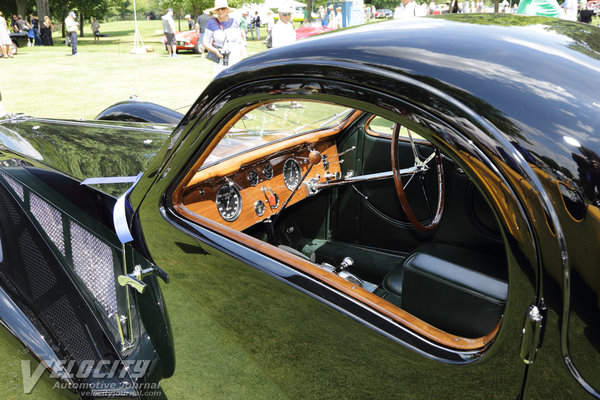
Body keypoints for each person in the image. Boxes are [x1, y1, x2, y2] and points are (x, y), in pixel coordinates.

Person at [203, 0, 244, 75]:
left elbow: (240, 41)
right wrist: (215, 51)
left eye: (223, 8)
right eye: (218, 9)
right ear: (215, 11)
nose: (220, 11)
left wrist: (243, 58)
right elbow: (205, 42)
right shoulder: (211, 23)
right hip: (220, 60)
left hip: (235, 59)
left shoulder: (234, 22)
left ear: (227, 10)